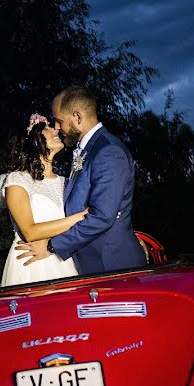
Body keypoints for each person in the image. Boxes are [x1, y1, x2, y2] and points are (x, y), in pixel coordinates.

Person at [16, 87, 146, 274]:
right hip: (90, 264)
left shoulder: (108, 152)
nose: (57, 128)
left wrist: (51, 246)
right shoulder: (87, 150)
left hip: (111, 264)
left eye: (59, 121)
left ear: (77, 117)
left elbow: (102, 216)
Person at [0, 113, 87, 286]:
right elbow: (29, 232)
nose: (55, 129)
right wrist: (79, 218)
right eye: (47, 128)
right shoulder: (17, 180)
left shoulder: (66, 182)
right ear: (34, 140)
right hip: (31, 265)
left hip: (64, 258)